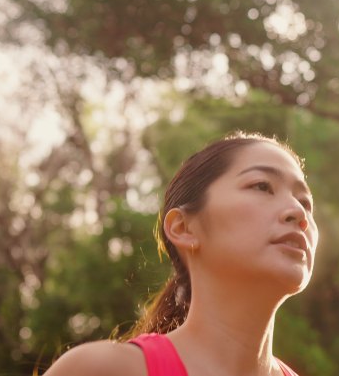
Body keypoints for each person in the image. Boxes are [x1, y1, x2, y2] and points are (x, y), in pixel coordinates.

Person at [43, 132, 318, 376]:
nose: (298, 212)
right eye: (262, 186)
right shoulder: (102, 370)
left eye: (305, 202)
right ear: (183, 228)